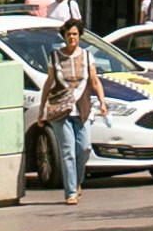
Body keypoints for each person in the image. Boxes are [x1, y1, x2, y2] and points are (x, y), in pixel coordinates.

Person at [43, 19, 110, 203]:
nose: (72, 37)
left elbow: (95, 81)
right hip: (60, 110)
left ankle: (78, 181)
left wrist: (102, 102)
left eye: (75, 34)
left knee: (84, 147)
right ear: (64, 37)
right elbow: (49, 83)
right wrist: (43, 110)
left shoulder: (88, 56)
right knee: (68, 152)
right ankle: (71, 192)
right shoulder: (55, 56)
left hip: (83, 109)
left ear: (79, 36)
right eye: (68, 34)